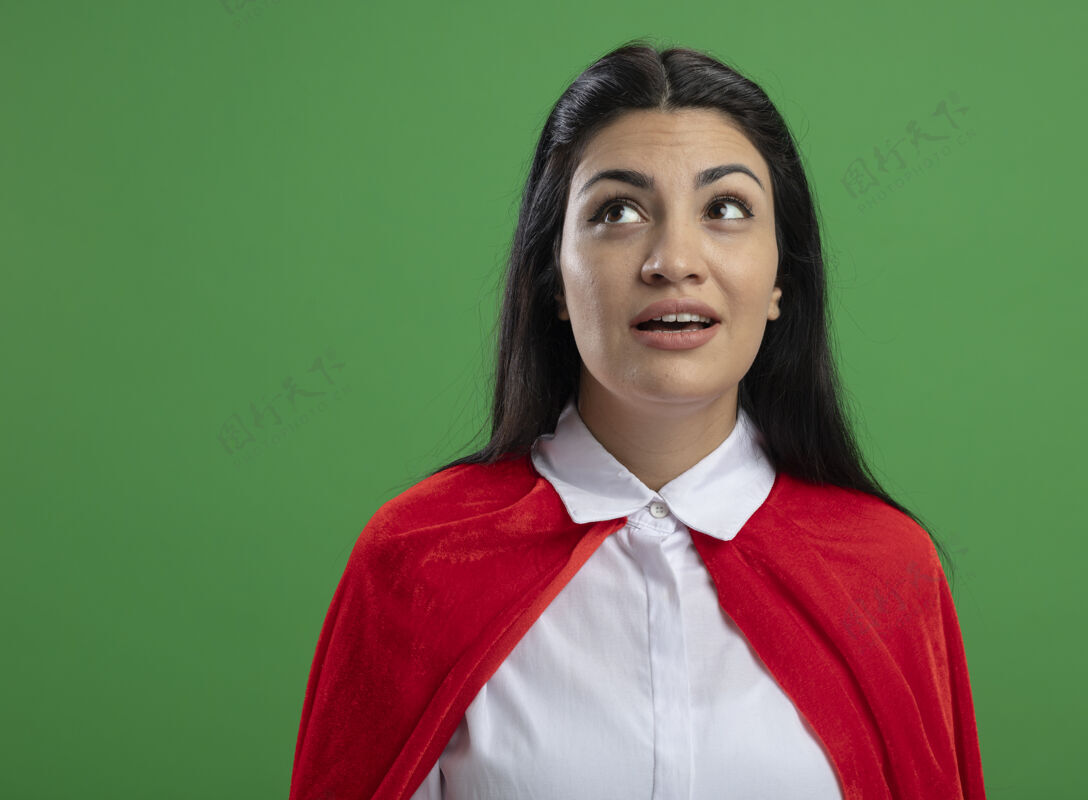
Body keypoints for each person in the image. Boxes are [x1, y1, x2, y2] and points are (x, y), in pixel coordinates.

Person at [289, 40, 986, 800]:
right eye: (618, 212)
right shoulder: (415, 564)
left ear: (782, 277)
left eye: (726, 209)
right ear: (553, 278)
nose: (674, 260)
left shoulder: (887, 571)